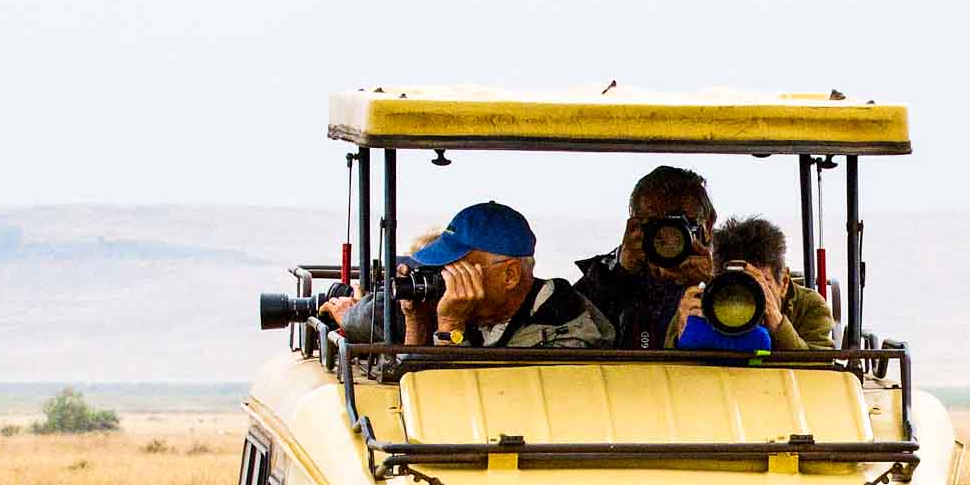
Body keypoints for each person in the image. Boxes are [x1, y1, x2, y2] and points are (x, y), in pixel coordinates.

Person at [321, 201, 612, 349]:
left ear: (509, 275)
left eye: (455, 267)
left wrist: (450, 325)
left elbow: (455, 411)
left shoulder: (569, 334)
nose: (444, 278)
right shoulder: (483, 316)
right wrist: (417, 322)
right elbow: (409, 395)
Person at [573, 166, 717, 350]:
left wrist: (709, 287)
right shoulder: (606, 278)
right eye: (654, 224)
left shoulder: (732, 280)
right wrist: (620, 275)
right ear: (634, 225)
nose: (668, 238)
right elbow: (569, 331)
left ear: (708, 223)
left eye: (681, 224)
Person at [682, 216, 835, 351]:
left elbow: (821, 370)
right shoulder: (702, 301)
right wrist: (682, 333)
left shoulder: (810, 307)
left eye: (761, 284)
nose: (746, 298)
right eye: (733, 291)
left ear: (784, 282)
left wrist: (778, 325)